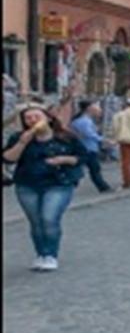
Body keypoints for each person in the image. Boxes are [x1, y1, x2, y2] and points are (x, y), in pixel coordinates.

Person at [5, 104, 85, 271]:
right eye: (28, 118)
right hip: (27, 184)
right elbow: (8, 159)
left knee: (49, 218)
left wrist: (65, 159)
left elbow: (84, 157)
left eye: (36, 116)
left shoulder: (65, 137)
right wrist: (22, 142)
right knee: (36, 222)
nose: (33, 121)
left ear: (47, 118)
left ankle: (50, 255)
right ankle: (41, 254)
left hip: (59, 183)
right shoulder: (19, 137)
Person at [70, 100, 115, 194]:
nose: (99, 110)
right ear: (89, 108)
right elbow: (89, 134)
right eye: (96, 107)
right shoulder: (84, 121)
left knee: (89, 168)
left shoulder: (82, 120)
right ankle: (103, 187)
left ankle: (102, 186)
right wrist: (104, 140)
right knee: (94, 169)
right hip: (87, 148)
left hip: (86, 147)